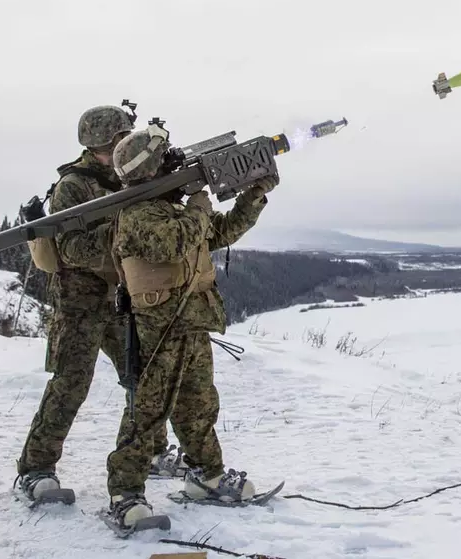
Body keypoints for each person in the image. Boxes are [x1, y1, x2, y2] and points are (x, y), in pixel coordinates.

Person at [102, 123, 277, 527]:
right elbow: (175, 242)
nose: (172, 163)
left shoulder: (172, 210)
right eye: (164, 159)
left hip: (192, 320)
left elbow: (221, 232)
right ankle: (125, 494)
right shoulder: (138, 214)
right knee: (147, 410)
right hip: (160, 326)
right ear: (150, 168)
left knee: (199, 404)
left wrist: (255, 195)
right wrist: (200, 201)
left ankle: (206, 475)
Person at [14, 105, 182, 503]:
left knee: (142, 378)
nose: (125, 144)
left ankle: (153, 451)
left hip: (121, 295)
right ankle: (35, 468)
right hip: (80, 300)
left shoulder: (129, 173)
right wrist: (124, 232)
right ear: (100, 143)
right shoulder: (74, 185)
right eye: (118, 139)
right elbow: (71, 249)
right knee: (71, 383)